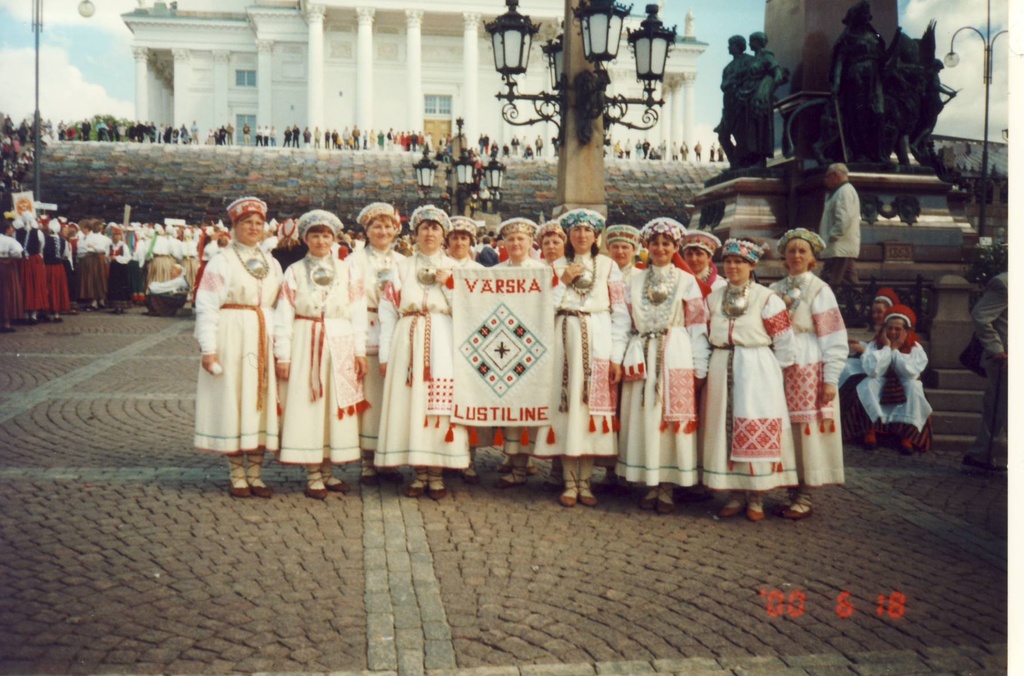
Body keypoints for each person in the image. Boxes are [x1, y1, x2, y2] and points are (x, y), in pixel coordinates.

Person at [532, 209, 629, 508]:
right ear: (569, 236)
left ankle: (585, 481)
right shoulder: (554, 266)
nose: (582, 235)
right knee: (566, 404)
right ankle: (569, 481)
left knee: (591, 409)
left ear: (596, 235)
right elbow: (542, 309)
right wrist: (562, 280)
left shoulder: (608, 266)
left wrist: (616, 356)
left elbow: (621, 313)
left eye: (587, 231)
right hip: (565, 338)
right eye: (576, 231)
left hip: (598, 336)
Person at [274, 209, 368, 499]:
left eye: (326, 234)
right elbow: (284, 314)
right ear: (305, 238)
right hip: (306, 338)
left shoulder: (347, 269)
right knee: (310, 406)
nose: (321, 240)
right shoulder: (294, 271)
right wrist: (284, 354)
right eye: (315, 234)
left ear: (334, 237)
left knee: (334, 407)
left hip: (339, 338)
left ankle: (329, 471)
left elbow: (358, 312)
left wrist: (359, 351)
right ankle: (313, 472)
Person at [376, 205, 469, 499]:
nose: (430, 233)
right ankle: (419, 472)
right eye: (424, 228)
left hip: (443, 338)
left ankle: (438, 473)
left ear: (444, 235)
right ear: (415, 234)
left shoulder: (457, 267)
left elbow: (468, 311)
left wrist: (450, 285)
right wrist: (385, 355)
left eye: (435, 228)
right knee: (411, 402)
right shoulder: (401, 267)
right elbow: (388, 312)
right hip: (409, 337)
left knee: (439, 403)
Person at [618, 218, 710, 514]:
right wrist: (618, 357)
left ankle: (668, 486)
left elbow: (698, 327)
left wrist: (699, 367)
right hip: (642, 350)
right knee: (644, 415)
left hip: (676, 351)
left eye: (666, 244)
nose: (660, 248)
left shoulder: (687, 282)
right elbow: (622, 323)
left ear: (675, 247)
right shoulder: (632, 282)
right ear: (647, 246)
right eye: (655, 243)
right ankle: (648, 480)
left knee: (670, 418)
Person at [193, 196, 283, 498]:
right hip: (232, 334)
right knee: (234, 398)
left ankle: (256, 474)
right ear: (235, 226)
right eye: (247, 223)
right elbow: (206, 305)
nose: (254, 228)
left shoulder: (272, 262)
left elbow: (282, 306)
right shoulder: (222, 260)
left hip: (264, 332)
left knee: (260, 399)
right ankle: (237, 473)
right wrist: (209, 348)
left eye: (259, 223)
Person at [702, 238, 798, 521]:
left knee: (753, 423)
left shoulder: (767, 298)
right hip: (722, 363)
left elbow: (785, 342)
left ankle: (756, 496)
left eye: (740, 262)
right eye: (729, 261)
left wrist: (769, 374)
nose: (733, 267)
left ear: (752, 265)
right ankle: (734, 492)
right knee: (726, 427)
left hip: (756, 366)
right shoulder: (714, 297)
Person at [769, 229, 848, 520]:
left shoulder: (819, 290)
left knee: (807, 430)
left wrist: (830, 379)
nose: (797, 256)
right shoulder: (775, 289)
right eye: (791, 251)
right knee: (786, 427)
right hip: (780, 364)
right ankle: (791, 489)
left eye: (803, 251)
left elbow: (834, 337)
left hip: (808, 363)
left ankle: (805, 493)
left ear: (813, 257)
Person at [348, 202, 406, 486]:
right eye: (376, 226)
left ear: (396, 230)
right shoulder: (354, 262)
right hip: (366, 328)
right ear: (366, 230)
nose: (383, 231)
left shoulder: (404, 262)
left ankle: (388, 457)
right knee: (368, 397)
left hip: (395, 332)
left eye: (387, 226)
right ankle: (367, 461)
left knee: (390, 399)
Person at [491, 217, 549, 489]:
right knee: (510, 403)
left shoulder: (543, 271)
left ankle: (530, 460)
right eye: (511, 239)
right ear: (504, 243)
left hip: (534, 345)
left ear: (530, 243)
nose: (516, 243)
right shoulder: (497, 271)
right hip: (506, 348)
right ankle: (516, 464)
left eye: (521, 239)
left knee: (532, 403)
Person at [843, 304, 934, 454]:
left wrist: (895, 350)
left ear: (906, 330)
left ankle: (907, 436)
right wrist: (886, 348)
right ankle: (870, 430)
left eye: (897, 329)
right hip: (881, 379)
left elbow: (909, 372)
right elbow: (874, 371)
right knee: (867, 385)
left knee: (914, 387)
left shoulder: (915, 347)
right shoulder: (875, 345)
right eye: (890, 328)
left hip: (904, 381)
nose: (893, 332)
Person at [445, 216, 490, 484]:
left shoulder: (479, 270)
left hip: (471, 341)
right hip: (445, 336)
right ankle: (446, 452)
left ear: (471, 242)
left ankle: (468, 458)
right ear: (447, 241)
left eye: (464, 238)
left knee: (468, 397)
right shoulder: (439, 267)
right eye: (454, 237)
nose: (459, 242)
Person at [962, 272, 1007, 474]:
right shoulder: (1005, 283)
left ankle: (985, 455)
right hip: (1005, 359)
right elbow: (980, 315)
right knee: (1001, 409)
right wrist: (996, 349)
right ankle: (983, 455)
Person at [818, 163, 861, 289]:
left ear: (835, 175)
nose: (825, 180)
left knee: (830, 281)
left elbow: (844, 219)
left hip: (839, 247)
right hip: (842, 247)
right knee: (850, 279)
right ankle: (861, 305)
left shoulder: (844, 192)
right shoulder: (842, 191)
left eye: (827, 177)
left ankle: (826, 305)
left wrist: (832, 236)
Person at [681, 231, 724, 296]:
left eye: (699, 254)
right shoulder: (678, 280)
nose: (693, 259)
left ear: (709, 257)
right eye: (689, 254)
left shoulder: (719, 285)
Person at [0, 220, 24, 333]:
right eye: (10, 228)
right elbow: (18, 253)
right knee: (7, 293)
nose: (12, 230)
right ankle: (6, 323)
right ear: (7, 229)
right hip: (6, 268)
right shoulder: (11, 241)